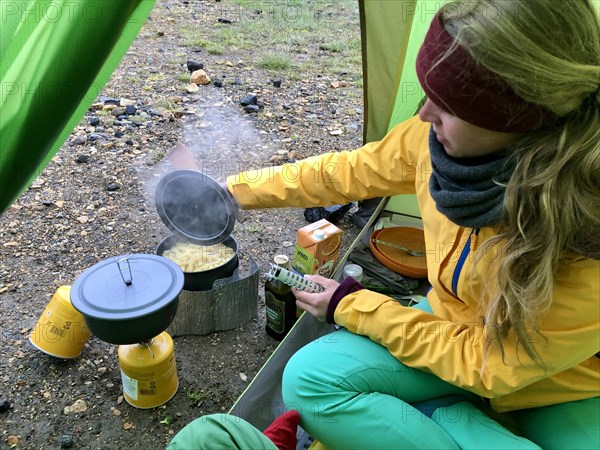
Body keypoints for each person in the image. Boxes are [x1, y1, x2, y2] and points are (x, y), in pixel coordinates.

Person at [168, 0, 599, 448]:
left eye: (448, 106)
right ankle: (448, 413)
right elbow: (348, 172)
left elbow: (491, 364)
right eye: (429, 91)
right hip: (454, 324)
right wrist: (233, 192)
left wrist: (351, 306)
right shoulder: (437, 142)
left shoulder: (587, 237)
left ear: (519, 118)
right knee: (307, 379)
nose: (425, 114)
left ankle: (447, 416)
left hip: (560, 383)